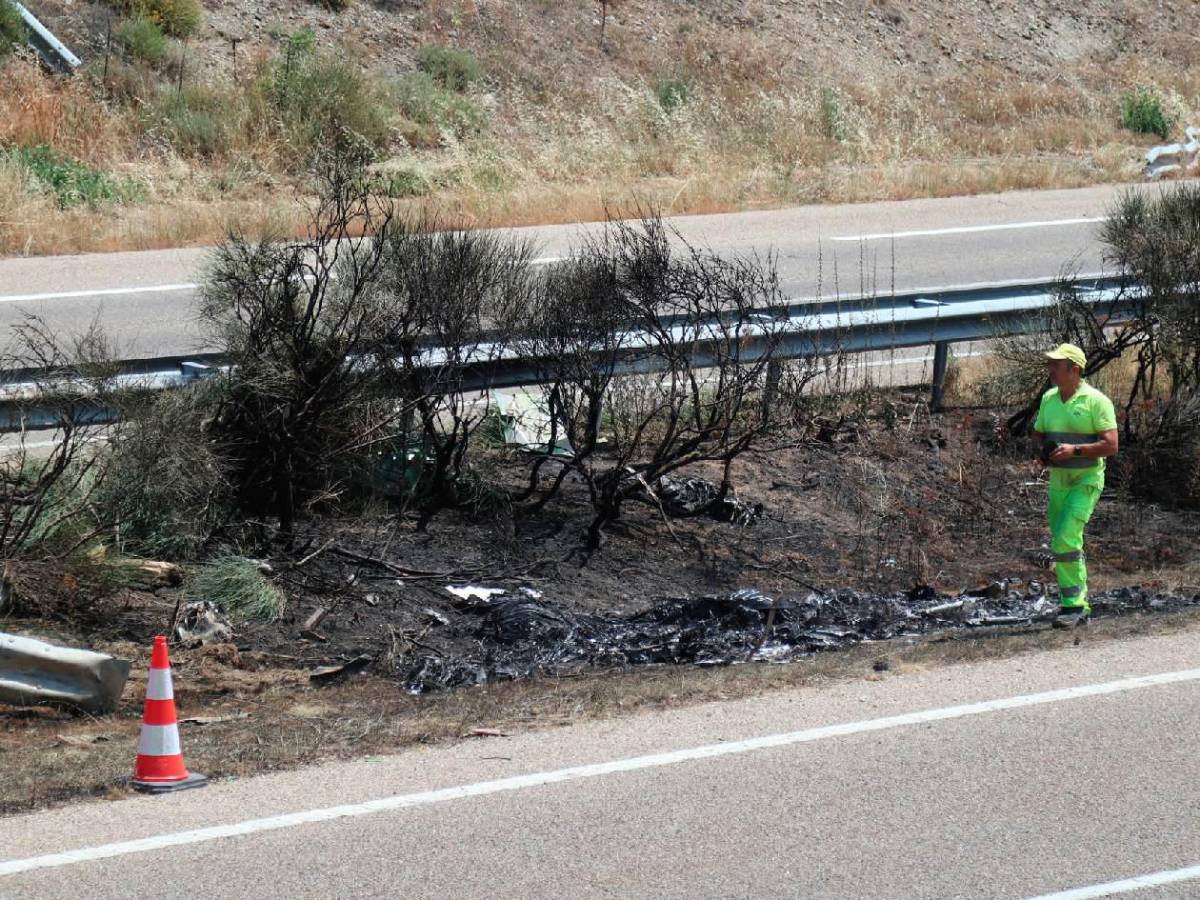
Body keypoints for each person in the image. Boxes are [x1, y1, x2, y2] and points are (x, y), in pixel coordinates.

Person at [1032, 344, 1119, 627]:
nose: (1050, 369)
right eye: (1050, 364)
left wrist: (1075, 451)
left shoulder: (1097, 401)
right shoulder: (1049, 399)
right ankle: (1072, 602)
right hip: (1059, 481)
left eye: (1056, 365)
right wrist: (1043, 453)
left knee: (1066, 538)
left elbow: (1111, 445)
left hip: (1086, 480)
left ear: (1074, 370)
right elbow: (1038, 434)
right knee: (1062, 541)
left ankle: (1075, 606)